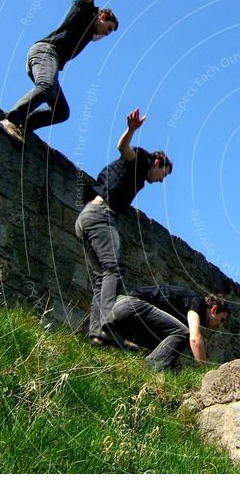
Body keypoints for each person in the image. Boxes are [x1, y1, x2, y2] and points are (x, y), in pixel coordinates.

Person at [0, 0, 122, 141]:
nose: (105, 34)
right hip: (46, 53)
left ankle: (23, 127)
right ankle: (11, 120)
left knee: (62, 112)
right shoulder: (84, 12)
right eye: (107, 29)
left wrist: (106, 30)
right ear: (101, 16)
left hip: (50, 61)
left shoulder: (90, 35)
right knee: (46, 88)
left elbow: (98, 34)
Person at [75, 108, 172, 345]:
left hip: (87, 217)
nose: (160, 180)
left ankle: (97, 334)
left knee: (104, 276)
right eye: (163, 174)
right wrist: (131, 130)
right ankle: (111, 323)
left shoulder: (138, 172)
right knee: (114, 269)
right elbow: (123, 149)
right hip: (100, 214)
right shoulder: (141, 159)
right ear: (158, 162)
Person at [104, 286, 230, 370]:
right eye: (221, 319)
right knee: (184, 333)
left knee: (162, 345)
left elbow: (172, 351)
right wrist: (205, 373)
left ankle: (111, 345)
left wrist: (179, 376)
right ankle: (148, 369)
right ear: (214, 309)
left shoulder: (179, 318)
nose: (219, 326)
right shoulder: (198, 303)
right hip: (130, 306)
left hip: (119, 309)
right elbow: (195, 339)